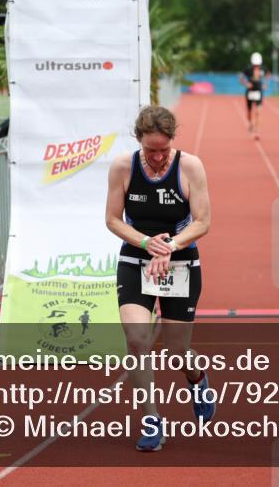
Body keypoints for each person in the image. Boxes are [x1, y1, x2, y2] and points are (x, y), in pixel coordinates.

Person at [105, 105, 215, 452]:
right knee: (137, 340)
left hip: (179, 261)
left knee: (176, 350)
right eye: (150, 150)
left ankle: (197, 378)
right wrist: (144, 242)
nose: (157, 157)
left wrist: (170, 245)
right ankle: (152, 420)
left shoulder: (190, 166)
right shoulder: (123, 166)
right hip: (136, 258)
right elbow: (112, 219)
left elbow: (203, 221)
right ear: (139, 141)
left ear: (172, 141)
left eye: (163, 150)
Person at [240, 52, 270, 139]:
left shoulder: (263, 69)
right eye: (255, 64)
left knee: (258, 112)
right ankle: (250, 123)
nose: (256, 66)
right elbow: (241, 77)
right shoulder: (248, 69)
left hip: (259, 92)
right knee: (249, 112)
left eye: (258, 64)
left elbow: (268, 74)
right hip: (250, 92)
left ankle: (257, 131)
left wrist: (266, 84)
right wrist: (246, 84)